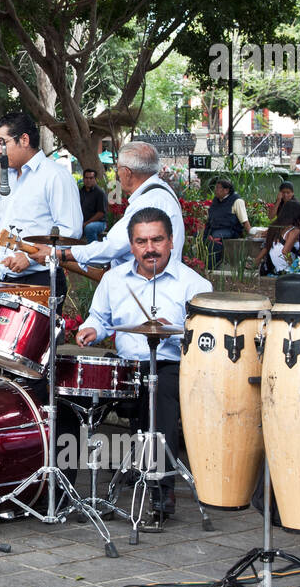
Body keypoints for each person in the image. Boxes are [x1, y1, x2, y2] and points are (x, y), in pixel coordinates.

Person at [75, 207, 212, 518]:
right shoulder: (113, 280)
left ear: (171, 241)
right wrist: (92, 329)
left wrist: (174, 333)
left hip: (172, 367)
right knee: (67, 389)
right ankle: (65, 488)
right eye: (141, 242)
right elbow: (101, 318)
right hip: (126, 368)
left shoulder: (195, 285)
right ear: (131, 244)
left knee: (159, 390)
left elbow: (207, 341)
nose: (149, 248)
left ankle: (161, 491)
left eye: (157, 240)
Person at [0, 111, 82, 294]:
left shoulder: (55, 176)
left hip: (41, 279)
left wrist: (29, 258)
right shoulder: (8, 179)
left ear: (24, 140)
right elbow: (0, 227)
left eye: (2, 143)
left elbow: (71, 230)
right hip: (4, 277)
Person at [60, 141, 180, 273]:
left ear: (127, 173)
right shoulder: (159, 192)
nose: (118, 175)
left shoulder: (150, 201)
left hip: (145, 286)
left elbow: (113, 246)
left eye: (118, 169)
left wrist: (64, 254)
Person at [202, 176, 252, 269]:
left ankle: (211, 266)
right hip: (214, 228)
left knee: (216, 238)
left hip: (230, 230)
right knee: (199, 236)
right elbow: (209, 219)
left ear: (226, 190)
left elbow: (244, 221)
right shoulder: (215, 201)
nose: (215, 190)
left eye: (218, 188)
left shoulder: (237, 200)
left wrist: (252, 234)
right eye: (215, 188)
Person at [255, 199, 300, 276]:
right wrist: (294, 269)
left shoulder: (274, 227)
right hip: (286, 269)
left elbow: (267, 247)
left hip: (275, 269)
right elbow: (285, 252)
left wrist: (256, 261)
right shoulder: (294, 231)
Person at [79, 167, 108, 244]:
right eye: (86, 178)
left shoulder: (100, 193)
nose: (88, 180)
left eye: (91, 178)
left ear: (95, 179)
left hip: (100, 223)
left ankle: (93, 250)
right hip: (82, 222)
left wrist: (85, 223)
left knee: (89, 228)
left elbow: (101, 213)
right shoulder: (80, 192)